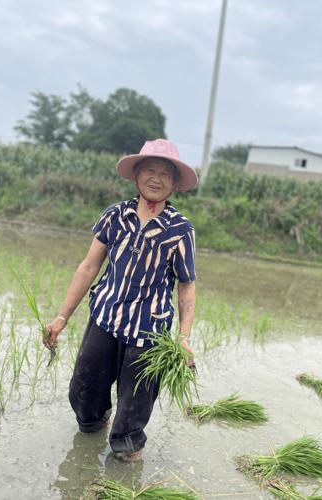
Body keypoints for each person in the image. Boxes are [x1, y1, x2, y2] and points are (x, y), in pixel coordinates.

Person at [45, 139, 198, 462]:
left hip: (149, 333)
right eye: (149, 170)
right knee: (84, 396)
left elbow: (186, 285)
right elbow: (88, 266)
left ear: (174, 184)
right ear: (136, 175)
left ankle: (125, 465)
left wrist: (183, 337)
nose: (156, 178)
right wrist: (61, 317)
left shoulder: (180, 229)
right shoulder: (115, 216)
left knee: (132, 421)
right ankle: (94, 432)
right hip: (105, 318)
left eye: (164, 173)